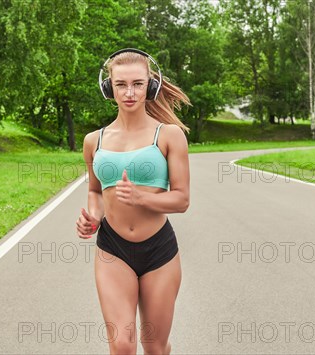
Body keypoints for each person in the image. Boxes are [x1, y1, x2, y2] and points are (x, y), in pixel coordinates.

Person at [76, 48, 191, 354]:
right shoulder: (94, 141)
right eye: (121, 84)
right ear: (108, 87)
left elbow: (181, 200)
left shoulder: (169, 135)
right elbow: (96, 191)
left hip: (159, 252)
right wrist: (94, 217)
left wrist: (142, 197)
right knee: (122, 345)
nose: (129, 92)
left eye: (138, 84)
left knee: (154, 345)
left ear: (150, 86)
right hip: (113, 248)